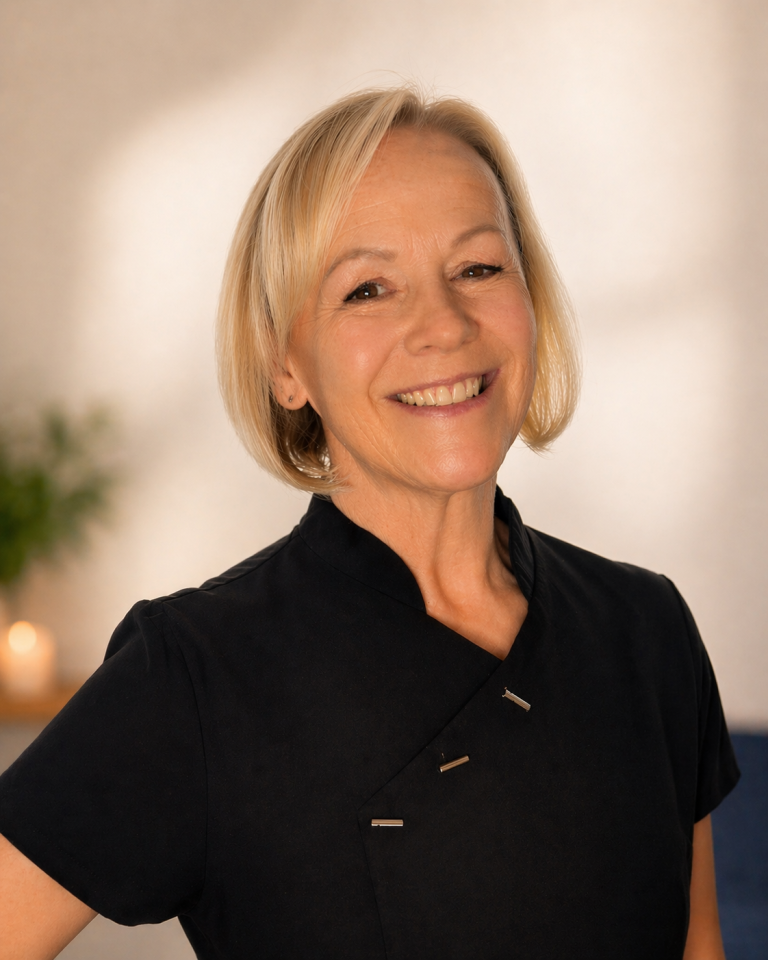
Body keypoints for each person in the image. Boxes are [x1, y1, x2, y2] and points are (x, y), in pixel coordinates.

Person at [0, 85, 739, 960]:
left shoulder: (645, 631)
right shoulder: (195, 674)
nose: (443, 325)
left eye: (478, 268)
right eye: (368, 288)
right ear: (286, 366)